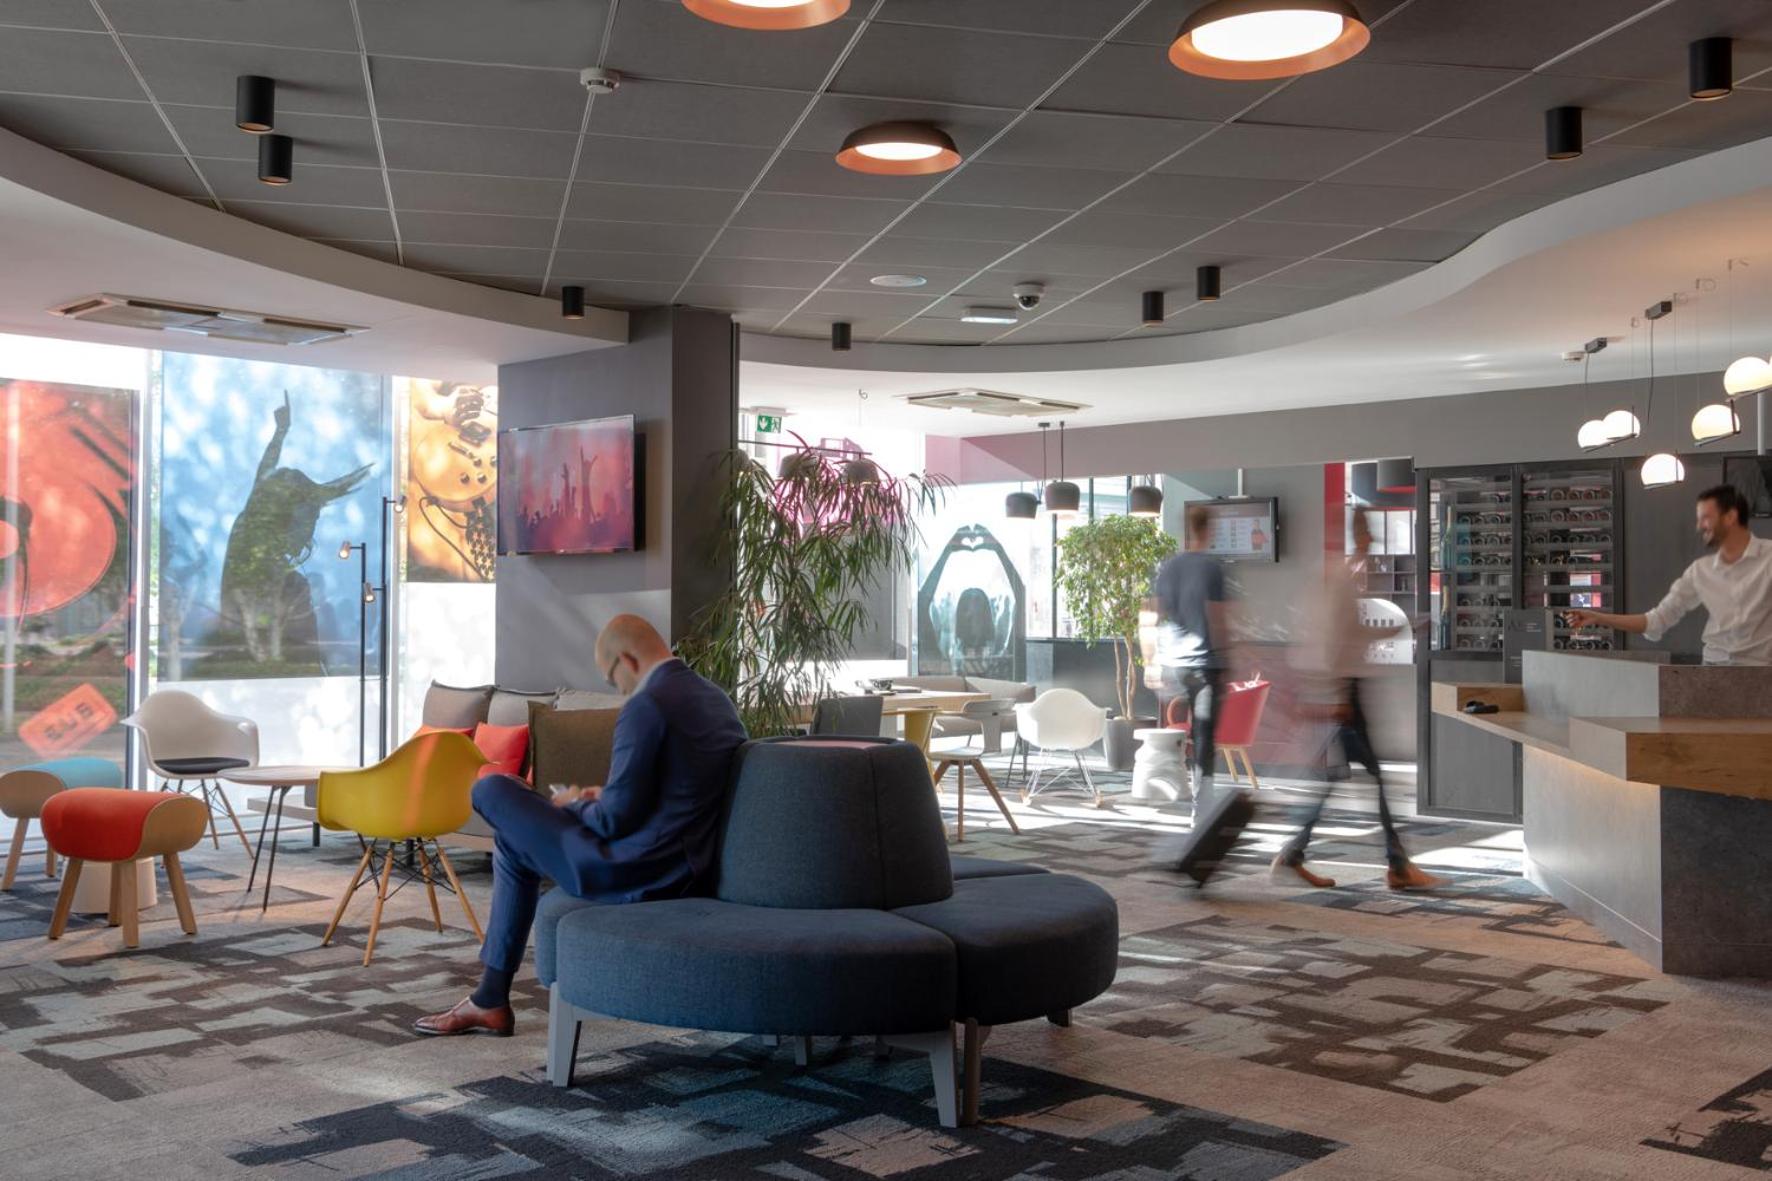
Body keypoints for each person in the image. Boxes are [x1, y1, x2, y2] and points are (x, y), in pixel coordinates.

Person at [414, 614, 747, 1036]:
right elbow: (670, 795)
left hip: (631, 871)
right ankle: (490, 999)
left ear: (628, 660)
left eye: (613, 679)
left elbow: (613, 821)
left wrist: (572, 805)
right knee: (513, 841)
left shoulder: (648, 705)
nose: (619, 690)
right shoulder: (716, 700)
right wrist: (598, 797)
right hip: (682, 865)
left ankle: (490, 997)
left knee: (492, 788)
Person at [1276, 511, 1445, 891]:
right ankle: (1395, 865)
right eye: (1366, 531)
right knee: (1367, 777)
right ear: (1357, 535)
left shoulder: (1337, 577)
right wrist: (1337, 696)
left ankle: (1299, 854)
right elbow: (1331, 641)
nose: (1371, 539)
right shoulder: (1339, 579)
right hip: (1345, 691)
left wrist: (1404, 627)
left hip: (1344, 689)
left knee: (1347, 778)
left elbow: (1349, 634)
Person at [1569, 484, 1772, 665]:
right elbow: (1656, 621)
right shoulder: (1700, 570)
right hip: (1712, 670)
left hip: (1761, 670)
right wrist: (1598, 617)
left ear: (1730, 517)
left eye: (1705, 518)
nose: (1699, 526)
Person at [1152, 505, 1232, 807]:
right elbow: (1218, 619)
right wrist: (1229, 657)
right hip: (1205, 665)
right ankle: (1202, 801)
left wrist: (1151, 661)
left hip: (1176, 665)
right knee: (1204, 735)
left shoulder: (1168, 567)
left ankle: (1178, 784)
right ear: (1208, 530)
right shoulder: (1212, 568)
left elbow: (1152, 613)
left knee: (1189, 729)